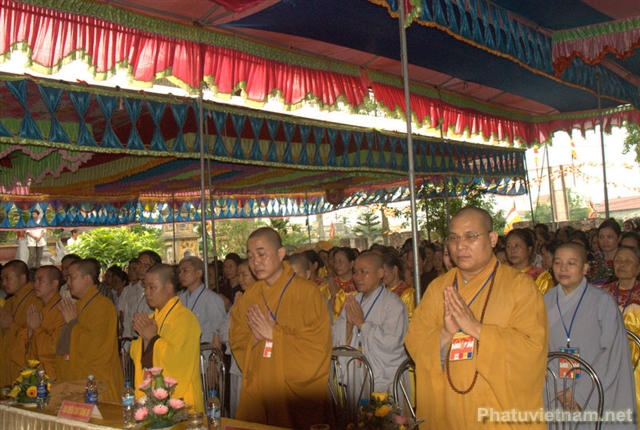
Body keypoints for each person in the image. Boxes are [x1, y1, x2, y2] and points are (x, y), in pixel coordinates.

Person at [405, 207, 548, 430]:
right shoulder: (438, 288)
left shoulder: (520, 287)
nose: (460, 246)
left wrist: (476, 329)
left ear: (492, 239)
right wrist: (445, 333)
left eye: (470, 236)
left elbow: (532, 349)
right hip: (447, 411)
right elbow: (415, 340)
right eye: (453, 238)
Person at [230, 227, 332, 429]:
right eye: (250, 256)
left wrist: (275, 334)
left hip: (295, 393)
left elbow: (318, 345)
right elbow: (236, 337)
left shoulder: (308, 292)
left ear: (280, 253)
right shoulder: (250, 296)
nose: (255, 262)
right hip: (261, 385)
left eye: (261, 254)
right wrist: (254, 339)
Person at [545, 243, 636, 428]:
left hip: (596, 387)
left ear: (586, 268)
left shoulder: (602, 302)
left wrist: (579, 393)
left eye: (571, 263)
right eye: (558, 262)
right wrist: (557, 388)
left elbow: (612, 353)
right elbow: (537, 348)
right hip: (555, 387)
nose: (563, 269)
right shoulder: (544, 301)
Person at [130, 264, 204, 412]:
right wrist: (146, 340)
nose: (147, 292)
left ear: (168, 288)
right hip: (153, 398)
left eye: (152, 287)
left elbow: (178, 361)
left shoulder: (185, 318)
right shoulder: (152, 318)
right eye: (145, 287)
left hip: (181, 401)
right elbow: (138, 355)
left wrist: (153, 339)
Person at [333, 252, 408, 392]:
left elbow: (392, 343)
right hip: (357, 375)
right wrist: (348, 325)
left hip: (385, 378)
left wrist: (362, 325)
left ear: (380, 273)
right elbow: (336, 336)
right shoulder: (353, 301)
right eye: (355, 272)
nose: (357, 277)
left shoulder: (393, 304)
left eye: (363, 272)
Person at [55, 259, 123, 403]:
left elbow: (94, 349)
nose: (68, 282)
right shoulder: (78, 306)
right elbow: (62, 346)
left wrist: (72, 324)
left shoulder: (103, 306)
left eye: (72, 277)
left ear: (86, 279)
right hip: (77, 380)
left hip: (98, 384)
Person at [0, 260, 43, 386]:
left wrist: (11, 325)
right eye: (2, 279)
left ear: (23, 278)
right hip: (6, 364)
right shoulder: (9, 302)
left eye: (8, 278)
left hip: (23, 366)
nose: (4, 283)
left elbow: (34, 336)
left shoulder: (36, 301)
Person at [177, 256, 226, 345]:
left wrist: (215, 353)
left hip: (204, 350)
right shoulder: (180, 298)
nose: (180, 275)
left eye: (185, 271)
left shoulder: (212, 299)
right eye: (179, 271)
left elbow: (218, 332)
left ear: (198, 273)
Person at [26, 265, 64, 378]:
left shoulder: (62, 311)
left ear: (54, 283)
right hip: (37, 371)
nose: (35, 285)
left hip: (52, 374)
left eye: (40, 280)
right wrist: (30, 332)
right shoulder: (40, 308)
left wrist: (37, 329)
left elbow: (54, 349)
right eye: (34, 280)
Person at [506, 229, 554, 295]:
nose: (512, 250)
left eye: (517, 246)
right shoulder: (502, 274)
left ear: (529, 249)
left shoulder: (542, 277)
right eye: (508, 246)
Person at [323, 247, 357, 321]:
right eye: (335, 262)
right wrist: (333, 297)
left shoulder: (358, 284)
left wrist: (338, 294)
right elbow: (324, 312)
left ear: (351, 264)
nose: (337, 265)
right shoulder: (330, 284)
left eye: (340, 261)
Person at [381, 252, 415, 320]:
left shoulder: (406, 292)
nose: (381, 275)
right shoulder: (381, 290)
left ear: (395, 269)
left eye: (384, 271)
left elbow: (410, 319)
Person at [588, 218, 621, 286]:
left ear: (619, 238)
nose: (605, 241)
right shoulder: (593, 262)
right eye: (601, 237)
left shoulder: (626, 260)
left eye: (609, 237)